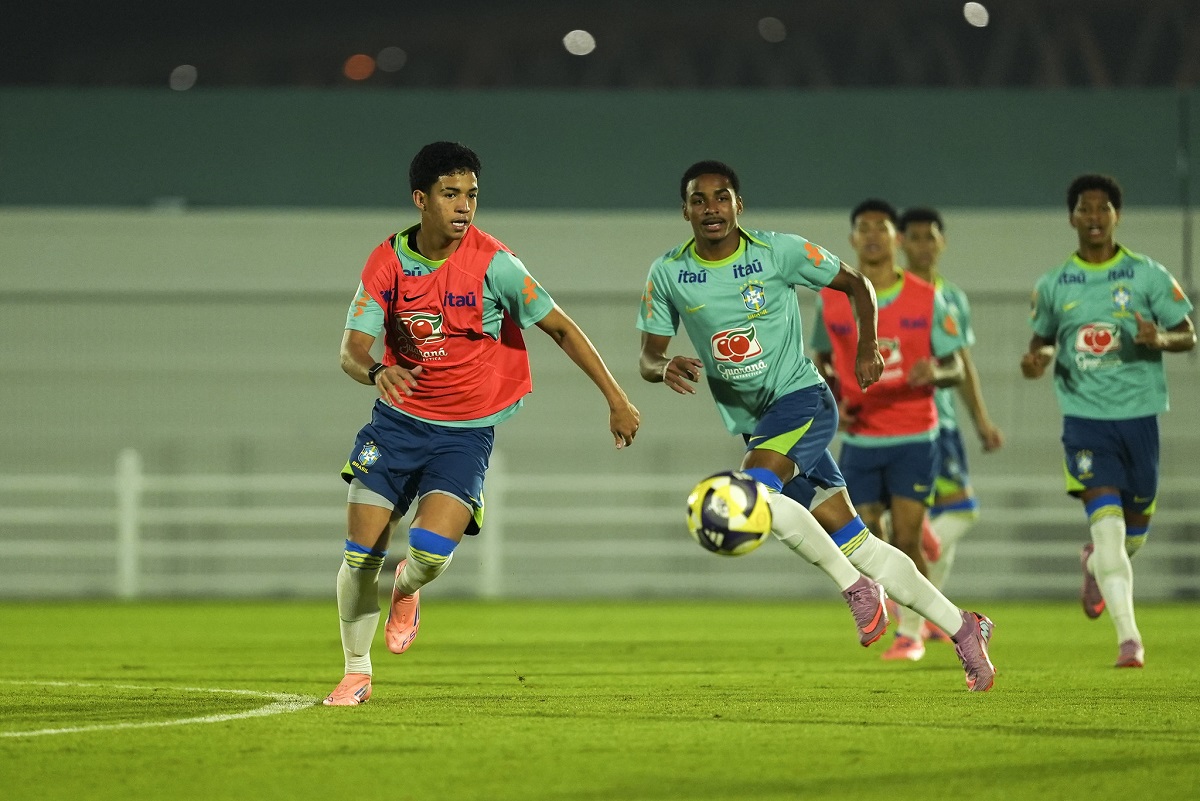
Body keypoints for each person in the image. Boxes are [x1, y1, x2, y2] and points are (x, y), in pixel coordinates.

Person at [637, 161, 996, 692]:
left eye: (721, 198)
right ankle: (965, 629)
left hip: (803, 401)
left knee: (752, 493)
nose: (711, 209)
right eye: (699, 200)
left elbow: (855, 285)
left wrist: (867, 344)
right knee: (859, 542)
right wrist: (663, 366)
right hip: (758, 424)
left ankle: (857, 592)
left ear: (740, 205)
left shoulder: (778, 252)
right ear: (684, 209)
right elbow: (647, 356)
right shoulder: (668, 272)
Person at [325, 141, 641, 705]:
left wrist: (616, 398)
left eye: (471, 194)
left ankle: (407, 588)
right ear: (421, 200)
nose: (464, 205)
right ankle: (356, 671)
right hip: (393, 427)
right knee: (359, 552)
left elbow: (562, 328)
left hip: (465, 435)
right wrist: (375, 371)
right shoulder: (386, 262)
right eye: (451, 194)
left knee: (425, 559)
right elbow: (350, 349)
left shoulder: (495, 262)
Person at [1020, 173, 1195, 669]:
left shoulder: (1147, 275)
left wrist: (1159, 339)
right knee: (1111, 532)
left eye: (1103, 209)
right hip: (1085, 421)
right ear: (1072, 217)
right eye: (1085, 209)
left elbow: (1188, 335)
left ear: (1117, 216)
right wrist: (1034, 362)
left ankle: (1094, 566)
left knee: (1132, 536)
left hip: (1139, 419)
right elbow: (1041, 345)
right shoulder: (1054, 284)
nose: (1094, 217)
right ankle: (1130, 640)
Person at [809, 199, 972, 663]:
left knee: (905, 537)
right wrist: (835, 395)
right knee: (865, 541)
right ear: (853, 240)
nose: (873, 236)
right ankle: (911, 614)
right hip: (860, 438)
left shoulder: (925, 295)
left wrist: (933, 375)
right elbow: (820, 358)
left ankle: (913, 633)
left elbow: (956, 365)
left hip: (914, 435)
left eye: (881, 228)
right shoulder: (833, 299)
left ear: (895, 239)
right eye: (864, 228)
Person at [886, 206, 1006, 659]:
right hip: (898, 423)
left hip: (943, 425)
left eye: (929, 236)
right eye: (913, 237)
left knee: (943, 522)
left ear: (942, 242)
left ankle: (918, 625)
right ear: (902, 243)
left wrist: (981, 421)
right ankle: (914, 628)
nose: (922, 245)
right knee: (926, 525)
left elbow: (963, 366)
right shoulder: (888, 295)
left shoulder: (951, 297)